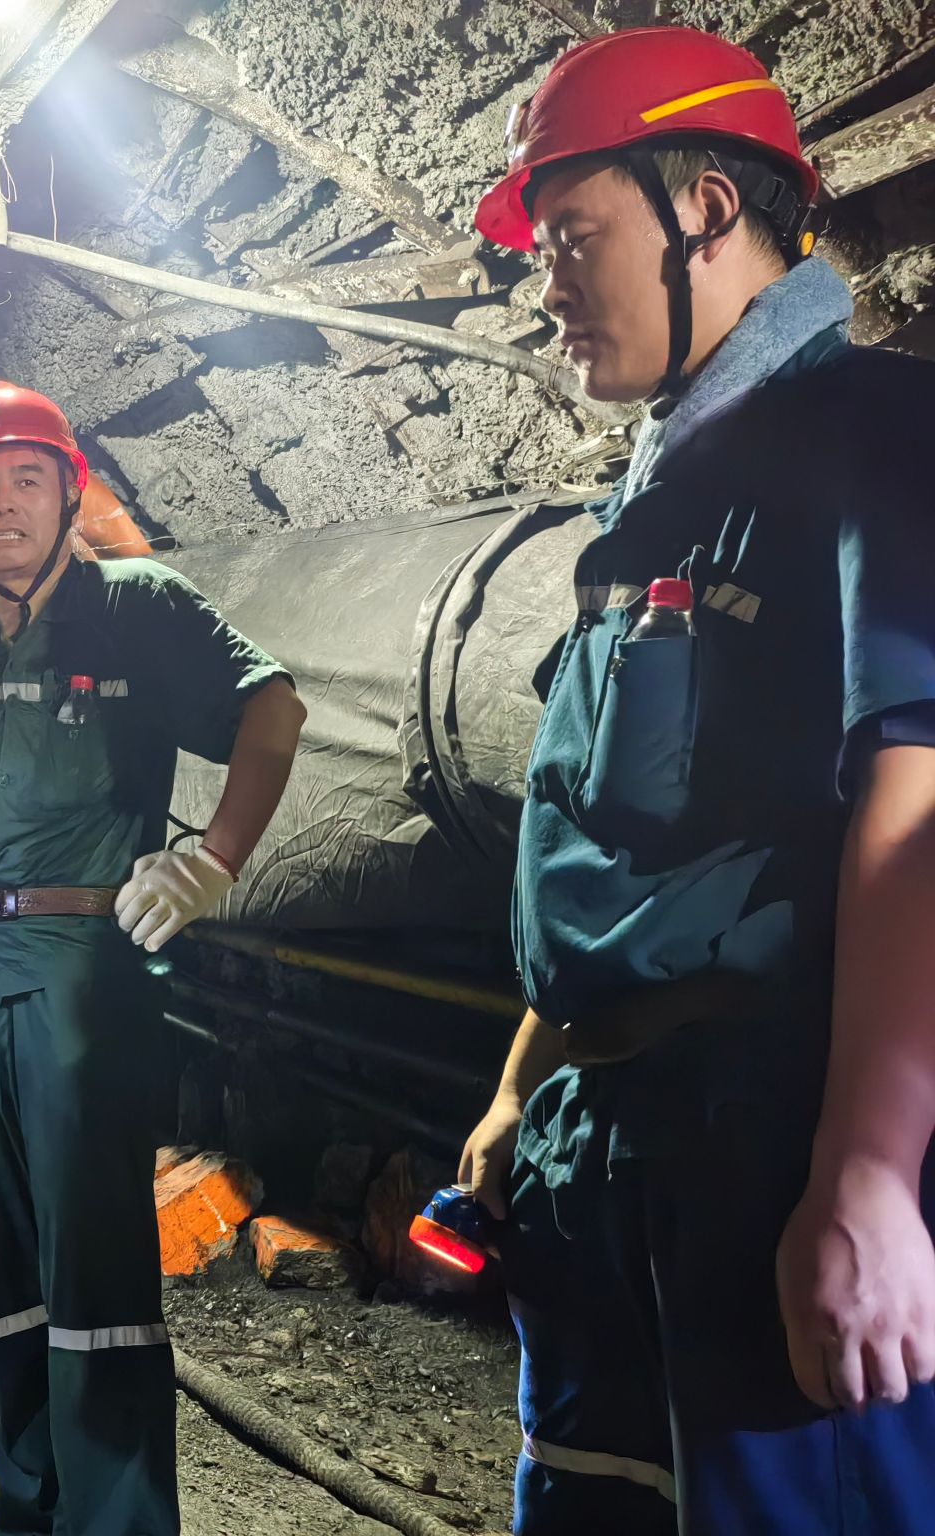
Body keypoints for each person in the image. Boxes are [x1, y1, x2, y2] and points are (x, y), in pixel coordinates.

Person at [459, 26, 935, 1534]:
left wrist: (870, 1172)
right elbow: (608, 834)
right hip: (603, 1152)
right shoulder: (649, 508)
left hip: (763, 1143)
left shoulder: (877, 436)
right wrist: (524, 1081)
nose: (546, 284)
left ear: (705, 211)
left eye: (572, 235)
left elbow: (915, 801)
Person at [0, 380, 305, 1534]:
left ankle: (115, 1522)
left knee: (94, 1278)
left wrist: (210, 858)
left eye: (25, 479)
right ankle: (30, 1507)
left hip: (80, 981)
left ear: (68, 495)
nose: (1, 504)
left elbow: (272, 707)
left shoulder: (135, 609)